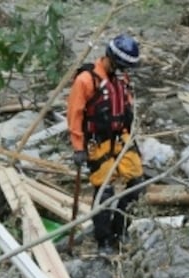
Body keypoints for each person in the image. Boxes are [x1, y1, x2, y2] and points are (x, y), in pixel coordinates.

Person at [67, 34, 145, 256]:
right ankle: (104, 241)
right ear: (110, 58)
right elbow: (74, 114)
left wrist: (132, 138)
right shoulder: (86, 80)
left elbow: (127, 107)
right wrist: (78, 148)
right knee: (105, 191)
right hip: (97, 142)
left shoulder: (122, 79)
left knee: (137, 184)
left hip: (121, 138)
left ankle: (120, 231)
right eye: (120, 66)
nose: (123, 70)